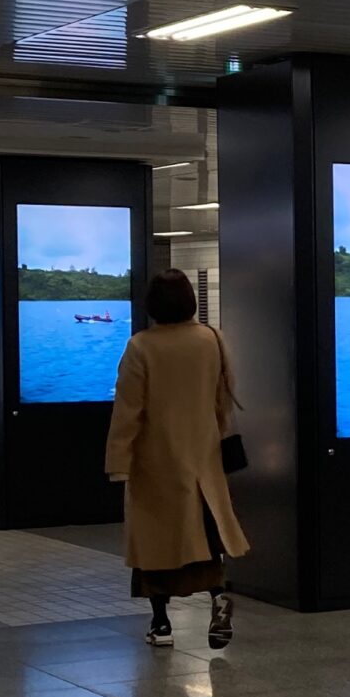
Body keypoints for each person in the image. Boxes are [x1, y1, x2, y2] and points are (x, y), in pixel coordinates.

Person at [106, 269, 250, 647]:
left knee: (155, 545)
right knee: (205, 536)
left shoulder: (141, 347)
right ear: (191, 302)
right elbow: (224, 396)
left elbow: (128, 411)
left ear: (152, 305)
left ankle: (161, 624)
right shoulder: (211, 339)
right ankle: (218, 597)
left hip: (157, 461)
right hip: (204, 455)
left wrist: (119, 462)